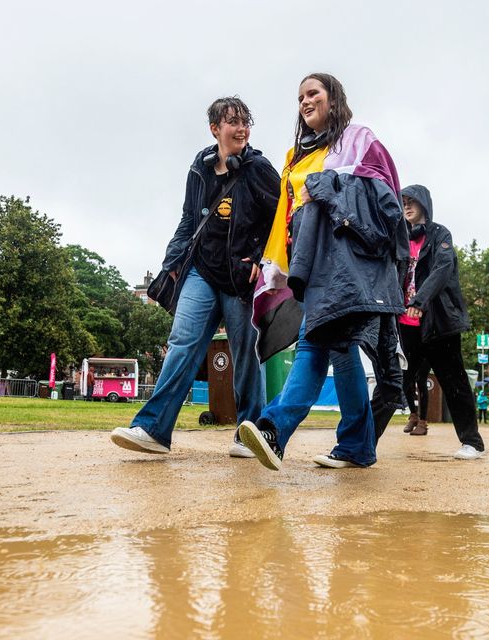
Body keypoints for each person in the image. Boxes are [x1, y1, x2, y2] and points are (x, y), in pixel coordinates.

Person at [238, 72, 405, 470]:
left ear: (334, 99)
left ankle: (273, 429)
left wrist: (328, 186)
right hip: (312, 262)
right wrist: (275, 263)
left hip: (347, 265)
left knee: (315, 342)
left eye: (313, 93)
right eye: (299, 98)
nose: (305, 102)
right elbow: (287, 211)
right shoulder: (295, 155)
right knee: (343, 351)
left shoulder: (359, 139)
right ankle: (356, 447)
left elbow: (387, 197)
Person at [111, 96, 281, 457]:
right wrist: (172, 262)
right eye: (232, 122)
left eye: (245, 122)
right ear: (215, 128)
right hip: (201, 271)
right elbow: (189, 219)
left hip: (240, 278)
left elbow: (281, 217)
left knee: (246, 354)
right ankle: (153, 429)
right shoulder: (199, 169)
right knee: (182, 342)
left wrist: (262, 256)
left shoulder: (259, 168)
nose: (241, 129)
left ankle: (249, 435)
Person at [381, 184, 486, 457]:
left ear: (424, 204)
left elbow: (442, 269)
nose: (406, 206)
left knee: (454, 382)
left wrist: (419, 301)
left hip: (439, 324)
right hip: (405, 326)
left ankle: (472, 442)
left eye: (411, 201)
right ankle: (362, 442)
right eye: (402, 201)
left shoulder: (440, 234)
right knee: (393, 381)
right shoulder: (399, 237)